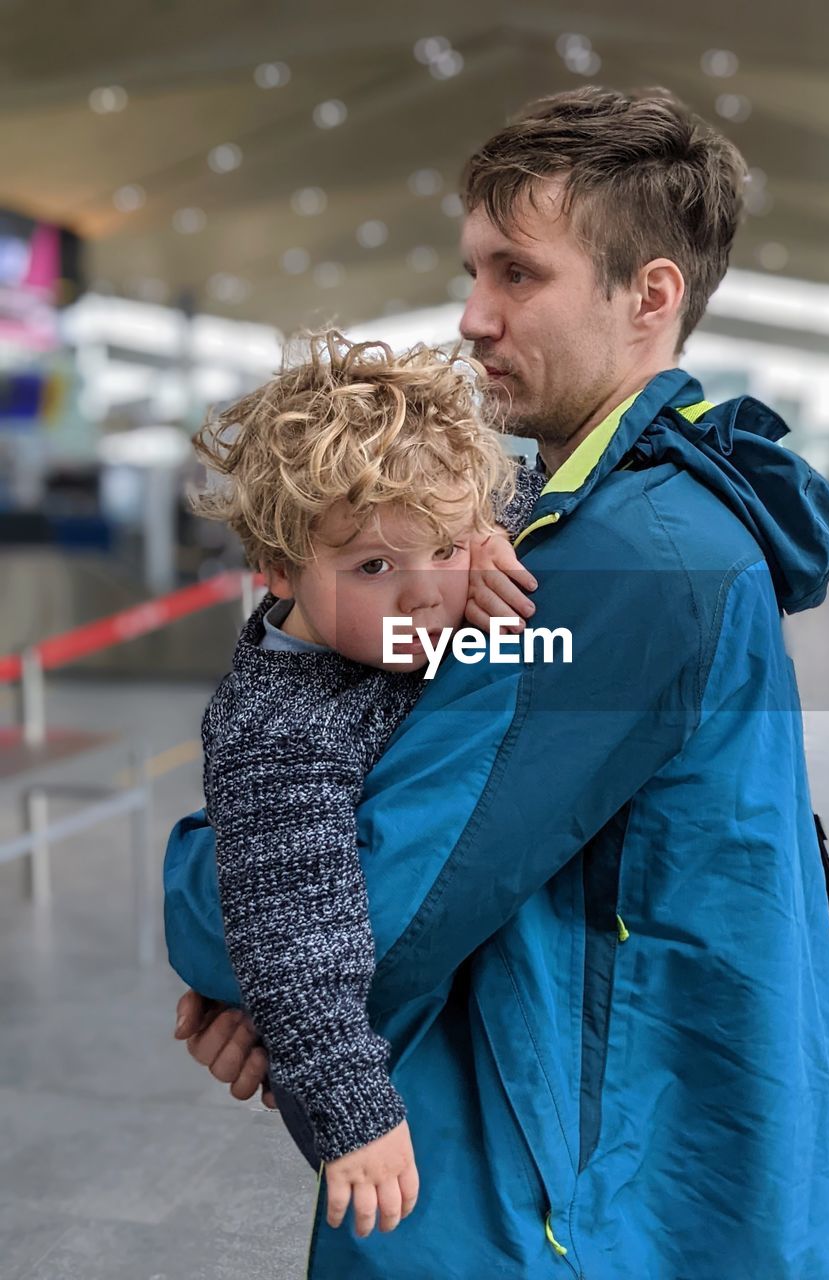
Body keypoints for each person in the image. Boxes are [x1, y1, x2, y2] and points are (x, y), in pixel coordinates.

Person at [166, 86, 829, 1278]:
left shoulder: (621, 564)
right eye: (472, 271)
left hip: (557, 1208)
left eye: (516, 275)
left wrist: (204, 896)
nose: (472, 314)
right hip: (625, 1170)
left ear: (650, 294)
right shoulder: (619, 511)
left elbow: (375, 907)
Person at [189, 331, 545, 1236]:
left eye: (445, 548)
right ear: (274, 568)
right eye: (375, 568)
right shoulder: (283, 730)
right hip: (386, 1099)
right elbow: (295, 929)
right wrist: (354, 1114)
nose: (426, 595)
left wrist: (492, 534)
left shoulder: (393, 612)